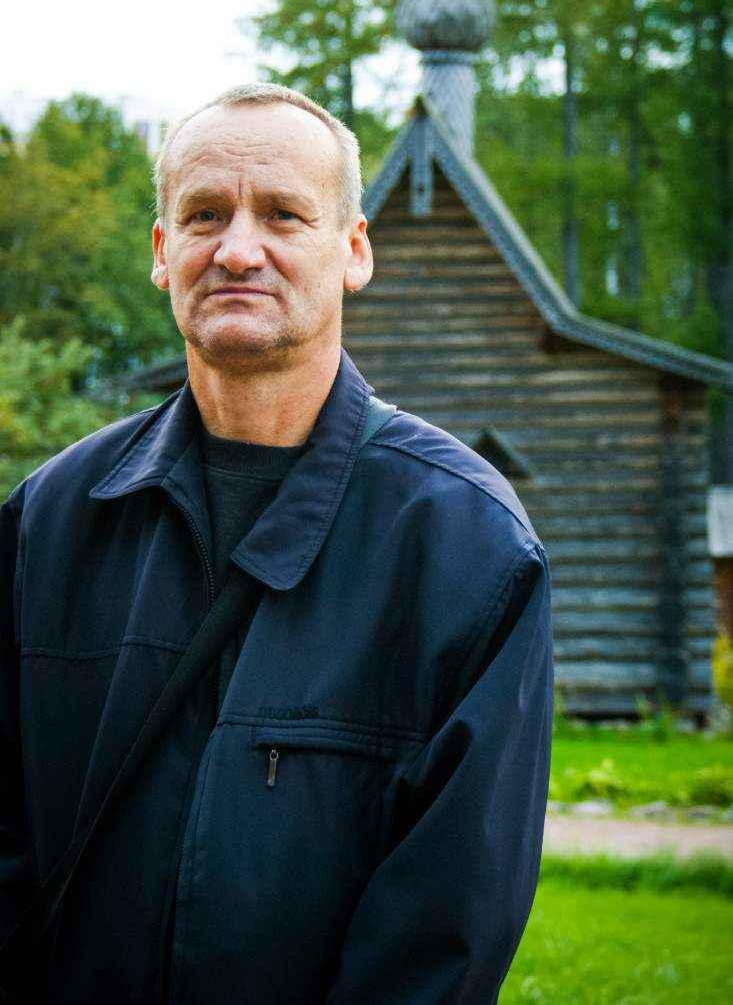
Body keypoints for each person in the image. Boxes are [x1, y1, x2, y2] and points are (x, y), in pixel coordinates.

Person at [0, 81, 553, 1004]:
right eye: (204, 216)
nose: (237, 249)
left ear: (353, 250)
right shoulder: (51, 519)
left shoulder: (465, 545)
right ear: (162, 252)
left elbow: (443, 931)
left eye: (283, 214)